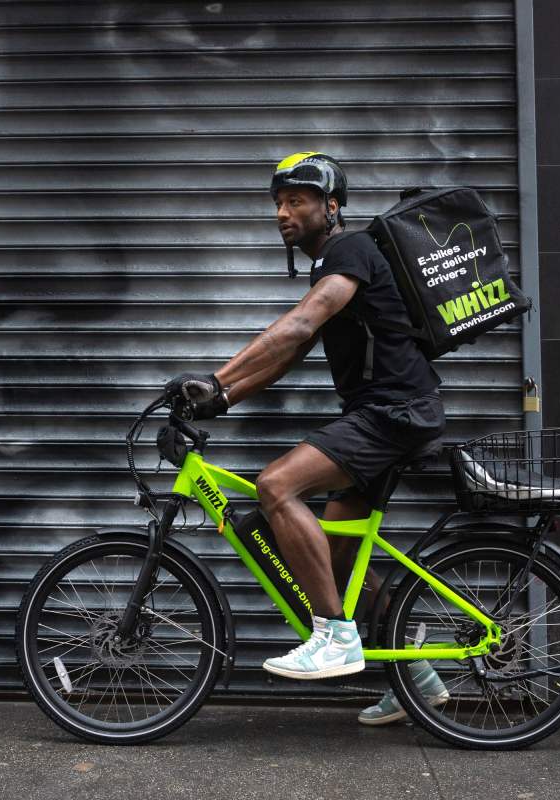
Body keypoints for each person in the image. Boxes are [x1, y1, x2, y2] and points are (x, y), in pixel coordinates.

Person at [164, 152, 448, 725]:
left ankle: (336, 637)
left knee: (277, 485)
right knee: (337, 564)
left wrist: (216, 377)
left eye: (296, 201)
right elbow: (290, 354)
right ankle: (418, 680)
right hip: (388, 412)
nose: (283, 213)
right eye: (278, 203)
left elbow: (297, 325)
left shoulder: (350, 250)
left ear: (332, 207)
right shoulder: (333, 263)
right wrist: (221, 398)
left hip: (393, 413)